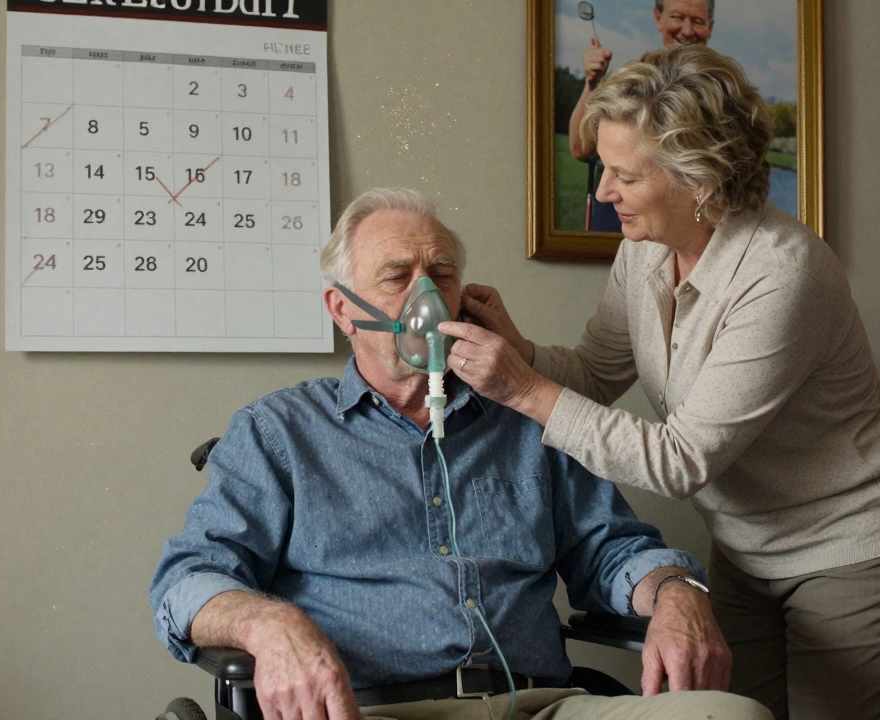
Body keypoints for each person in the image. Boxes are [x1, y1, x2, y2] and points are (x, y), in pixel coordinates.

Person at [442, 46, 880, 720]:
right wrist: (516, 350)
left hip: (849, 546)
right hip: (743, 545)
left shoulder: (781, 275)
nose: (604, 191)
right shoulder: (642, 252)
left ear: (698, 179)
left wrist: (521, 388)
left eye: (625, 176)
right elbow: (592, 373)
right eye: (603, 169)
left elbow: (681, 460)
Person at [150, 188, 771, 720]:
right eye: (397, 276)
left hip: (539, 703)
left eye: (441, 274)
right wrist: (272, 627)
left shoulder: (525, 416)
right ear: (342, 308)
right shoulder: (278, 433)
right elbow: (187, 580)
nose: (427, 297)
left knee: (734, 713)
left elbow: (613, 550)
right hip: (375, 709)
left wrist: (677, 588)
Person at [568, 0, 715, 232]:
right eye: (677, 18)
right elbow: (580, 148)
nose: (687, 30)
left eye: (697, 21)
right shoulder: (633, 74)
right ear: (658, 18)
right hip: (615, 224)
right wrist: (593, 82)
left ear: (710, 27)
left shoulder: (720, 91)